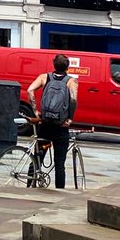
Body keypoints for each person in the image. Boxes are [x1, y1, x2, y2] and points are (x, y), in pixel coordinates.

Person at [27, 53, 79, 188]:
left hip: (45, 125)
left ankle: (29, 185)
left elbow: (30, 90)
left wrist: (35, 111)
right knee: (59, 163)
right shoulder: (71, 81)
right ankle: (59, 192)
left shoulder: (44, 77)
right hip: (60, 128)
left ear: (53, 65)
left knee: (36, 159)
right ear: (67, 67)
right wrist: (70, 118)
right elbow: (73, 100)